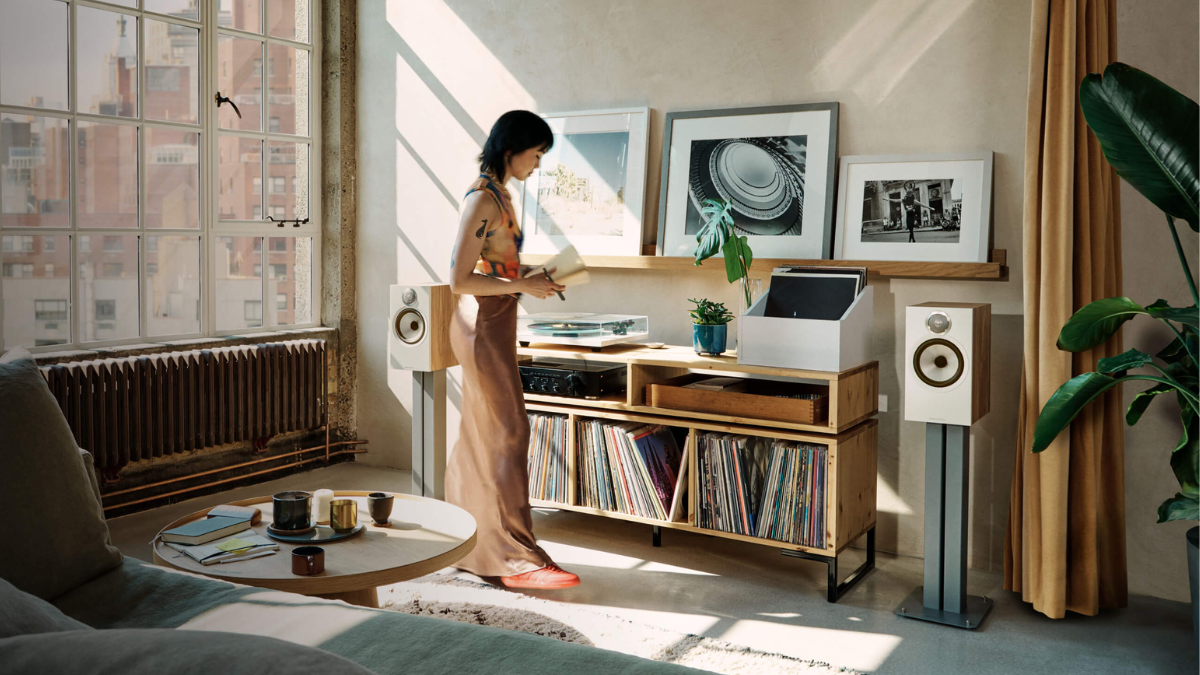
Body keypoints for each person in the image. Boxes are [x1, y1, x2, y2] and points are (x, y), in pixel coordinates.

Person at [445, 110, 579, 590]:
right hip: (481, 323)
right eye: (536, 154)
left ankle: (473, 546)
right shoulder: (483, 198)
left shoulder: (499, 195)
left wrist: (530, 279)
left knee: (486, 436)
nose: (538, 165)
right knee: (508, 432)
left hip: (495, 321)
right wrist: (523, 282)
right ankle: (514, 557)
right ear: (511, 148)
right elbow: (459, 278)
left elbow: (493, 268)